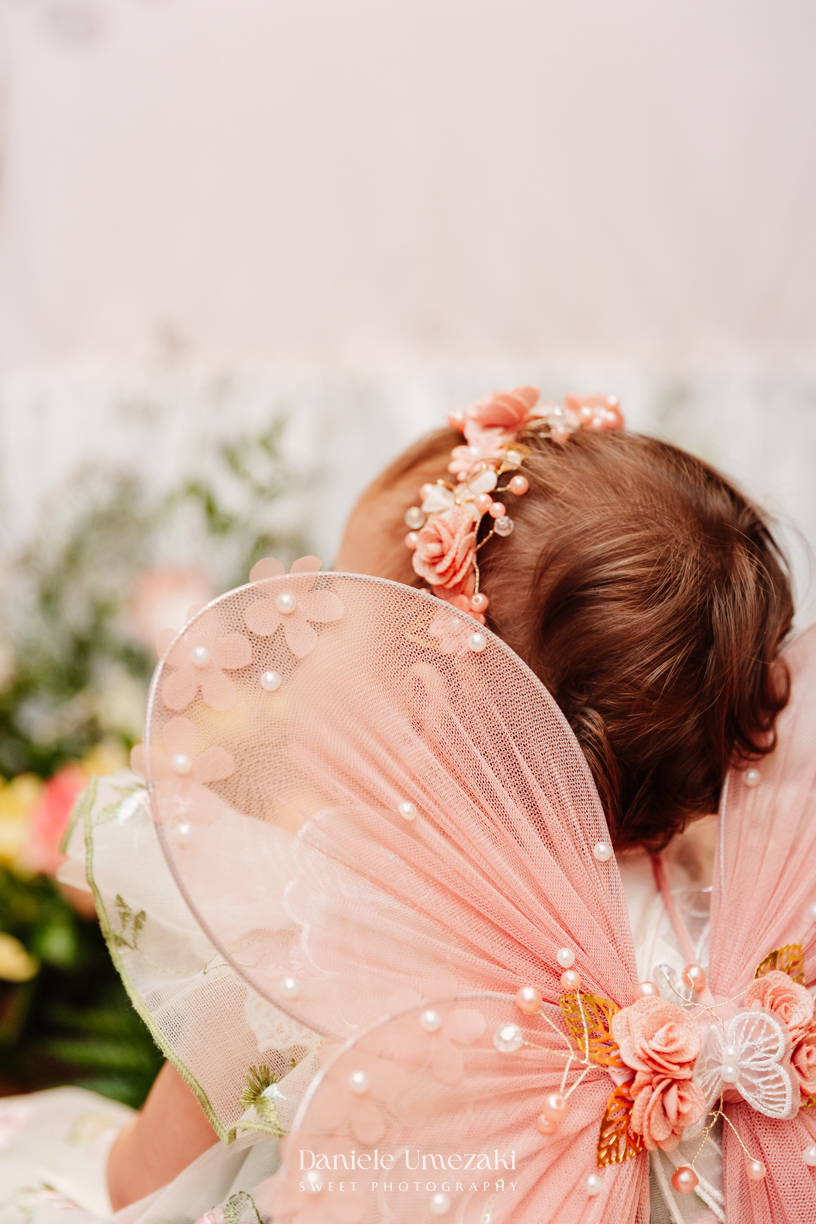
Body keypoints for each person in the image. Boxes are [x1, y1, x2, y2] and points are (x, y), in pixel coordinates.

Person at [0, 389, 810, 1224]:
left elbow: (142, 1181)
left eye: (341, 609)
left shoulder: (326, 923)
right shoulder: (738, 939)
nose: (309, 628)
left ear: (420, 707)